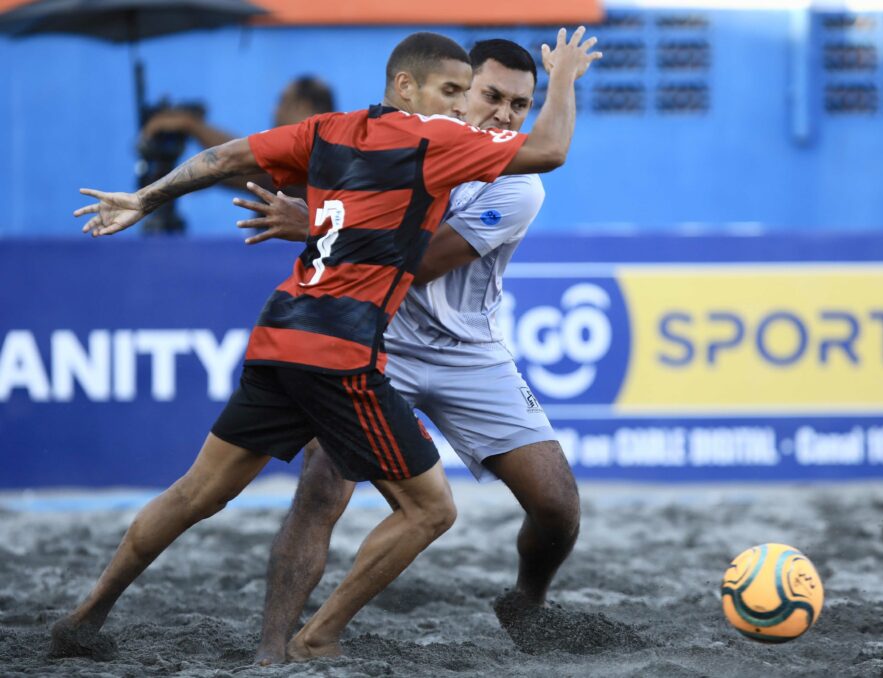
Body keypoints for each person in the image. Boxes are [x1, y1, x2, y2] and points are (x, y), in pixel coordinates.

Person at [55, 28, 601, 662]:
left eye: (519, 104)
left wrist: (148, 198)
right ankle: (307, 639)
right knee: (418, 509)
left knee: (195, 492)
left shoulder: (336, 131)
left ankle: (84, 619)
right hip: (356, 348)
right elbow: (551, 148)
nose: (486, 110)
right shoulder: (439, 139)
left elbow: (230, 158)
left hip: (321, 334)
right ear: (410, 85)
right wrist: (563, 75)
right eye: (467, 92)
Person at [231, 39, 582, 663]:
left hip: (467, 352)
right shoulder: (392, 142)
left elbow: (415, 261)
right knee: (320, 489)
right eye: (490, 96)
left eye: (519, 106)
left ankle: (527, 601)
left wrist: (312, 222)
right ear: (454, 90)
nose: (503, 115)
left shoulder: (520, 185)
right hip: (374, 338)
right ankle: (272, 649)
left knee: (557, 506)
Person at [142, 75, 336, 195]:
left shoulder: (322, 160)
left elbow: (248, 168)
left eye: (282, 101)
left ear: (303, 107)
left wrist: (191, 125)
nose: (274, 110)